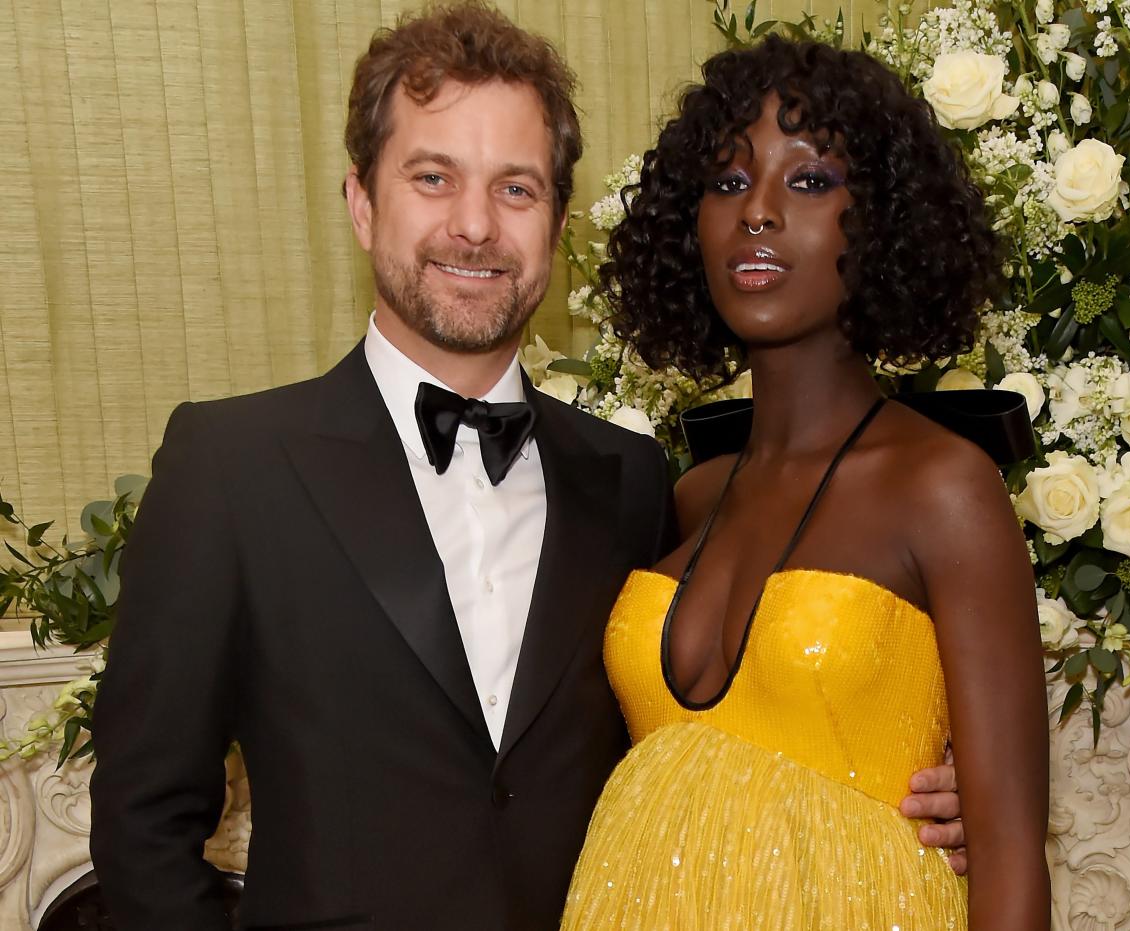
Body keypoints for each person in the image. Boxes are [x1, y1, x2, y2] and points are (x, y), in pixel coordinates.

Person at [88, 5, 970, 929]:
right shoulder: (230, 467)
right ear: (361, 201)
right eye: (432, 178)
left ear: (555, 217)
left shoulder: (632, 480)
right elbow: (145, 822)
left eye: (515, 189)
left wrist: (927, 788)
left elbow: (717, 730)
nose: (474, 226)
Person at [561, 34, 1050, 931]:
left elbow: (1012, 858)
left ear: (887, 225)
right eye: (725, 181)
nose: (757, 212)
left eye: (811, 180)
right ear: (687, 224)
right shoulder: (690, 495)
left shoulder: (943, 485)